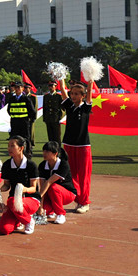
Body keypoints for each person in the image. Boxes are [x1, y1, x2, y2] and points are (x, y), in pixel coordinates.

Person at [59, 78, 94, 213]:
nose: (73, 96)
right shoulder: (69, 106)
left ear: (83, 96)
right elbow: (63, 92)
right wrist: (61, 78)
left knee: (84, 175)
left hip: (83, 145)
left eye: (77, 94)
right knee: (71, 174)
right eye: (72, 93)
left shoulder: (86, 107)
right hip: (68, 144)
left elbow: (89, 91)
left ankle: (84, 202)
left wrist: (90, 80)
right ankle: (78, 200)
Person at [0, 136, 40, 235]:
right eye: (8, 146)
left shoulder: (31, 165)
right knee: (4, 229)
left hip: (31, 199)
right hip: (14, 202)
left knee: (12, 201)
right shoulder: (7, 165)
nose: (9, 148)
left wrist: (23, 189)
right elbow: (6, 185)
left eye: (12, 146)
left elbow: (33, 188)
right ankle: (19, 219)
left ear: (21, 148)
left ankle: (29, 221)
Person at [38, 141, 76, 224]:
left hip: (68, 194)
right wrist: (40, 206)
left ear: (55, 153)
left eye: (47, 151)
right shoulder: (42, 165)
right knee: (44, 210)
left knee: (53, 187)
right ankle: (51, 211)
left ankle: (60, 214)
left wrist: (38, 199)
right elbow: (42, 186)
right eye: (44, 151)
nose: (44, 153)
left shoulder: (63, 164)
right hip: (51, 194)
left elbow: (48, 182)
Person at [7, 83, 36, 155]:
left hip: (24, 122)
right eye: (16, 87)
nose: (17, 89)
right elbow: (9, 110)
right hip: (14, 122)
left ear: (22, 88)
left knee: (26, 138)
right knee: (14, 138)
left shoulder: (26, 99)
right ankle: (15, 152)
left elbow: (32, 111)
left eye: (19, 87)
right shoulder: (11, 99)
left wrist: (30, 120)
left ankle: (27, 152)